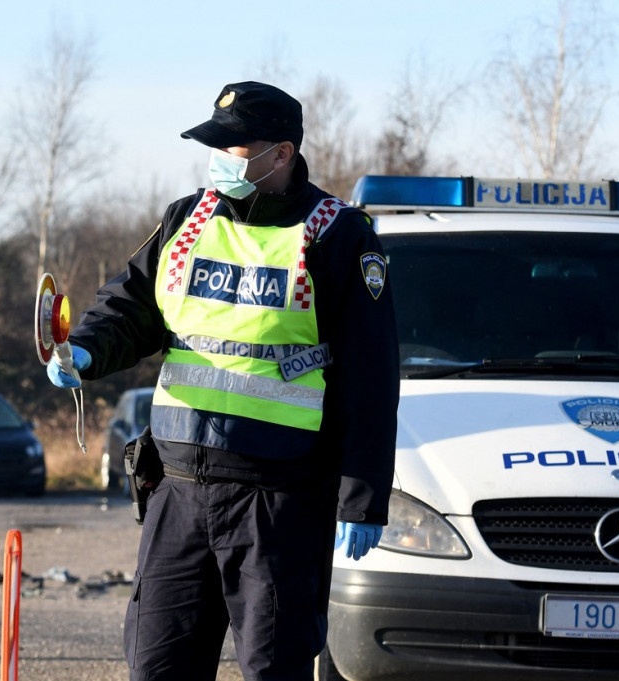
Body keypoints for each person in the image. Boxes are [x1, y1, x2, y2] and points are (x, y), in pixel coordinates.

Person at [46, 81, 398, 680]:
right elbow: (129, 308)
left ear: (281, 153)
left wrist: (362, 497)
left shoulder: (338, 235)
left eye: (232, 148)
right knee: (157, 667)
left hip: (277, 502)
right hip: (177, 489)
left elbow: (370, 376)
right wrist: (83, 349)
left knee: (273, 669)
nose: (217, 160)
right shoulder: (187, 219)